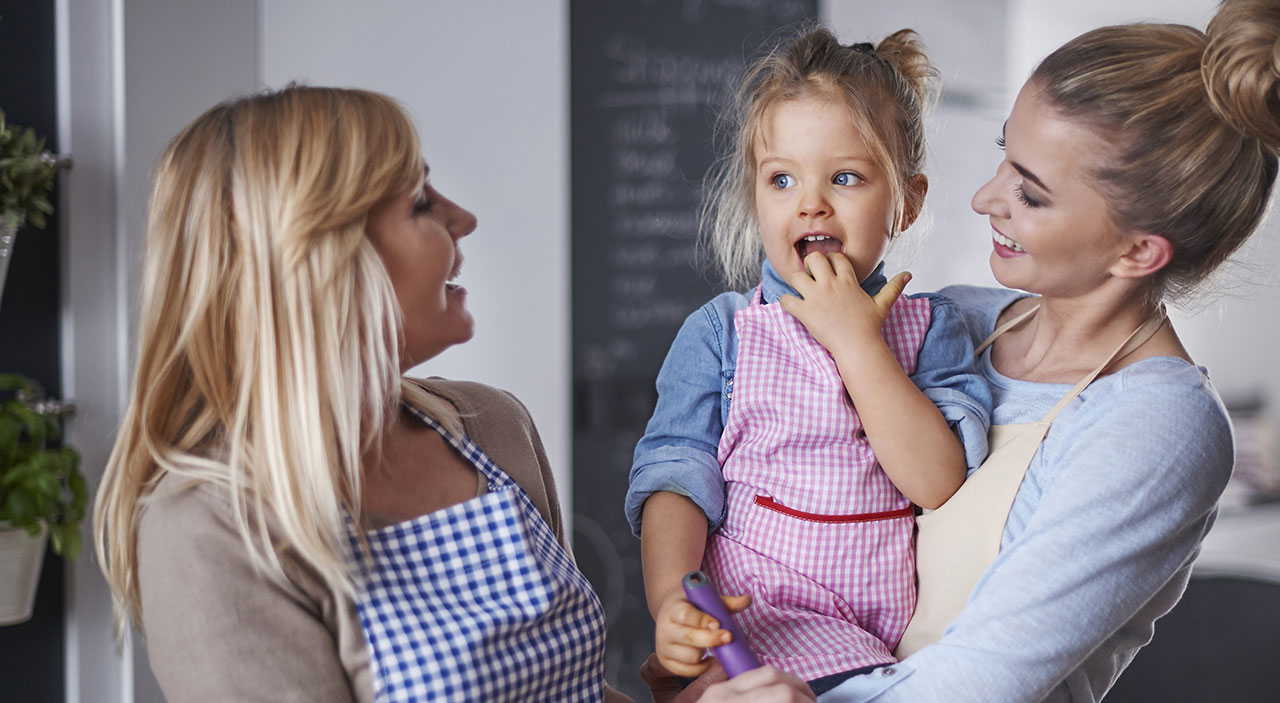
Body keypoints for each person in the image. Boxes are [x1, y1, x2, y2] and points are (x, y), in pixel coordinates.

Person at [685, 0, 1280, 700]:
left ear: (1137, 250)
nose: (982, 198)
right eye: (1005, 153)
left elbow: (976, 682)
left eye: (1029, 194)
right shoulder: (953, 319)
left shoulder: (1159, 427)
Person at [92, 86, 630, 702]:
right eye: (422, 204)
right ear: (320, 259)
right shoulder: (209, 527)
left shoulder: (493, 425)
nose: (464, 220)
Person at [625, 26, 993, 695]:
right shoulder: (723, 332)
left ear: (906, 202)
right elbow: (675, 475)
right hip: (751, 624)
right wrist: (670, 601)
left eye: (845, 177)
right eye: (782, 178)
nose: (810, 201)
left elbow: (936, 482)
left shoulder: (931, 326)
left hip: (874, 641)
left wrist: (858, 343)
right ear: (756, 196)